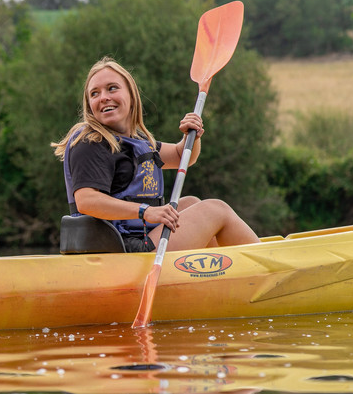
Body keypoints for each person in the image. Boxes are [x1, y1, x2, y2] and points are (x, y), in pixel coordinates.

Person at [52, 56, 259, 253]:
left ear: (131, 96)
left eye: (112, 88)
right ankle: (267, 264)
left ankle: (218, 274)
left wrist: (192, 137)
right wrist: (145, 211)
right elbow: (87, 201)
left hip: (140, 237)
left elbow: (181, 157)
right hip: (122, 247)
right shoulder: (91, 142)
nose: (104, 97)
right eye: (94, 93)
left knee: (191, 203)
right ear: (89, 105)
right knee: (216, 210)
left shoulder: (136, 141)